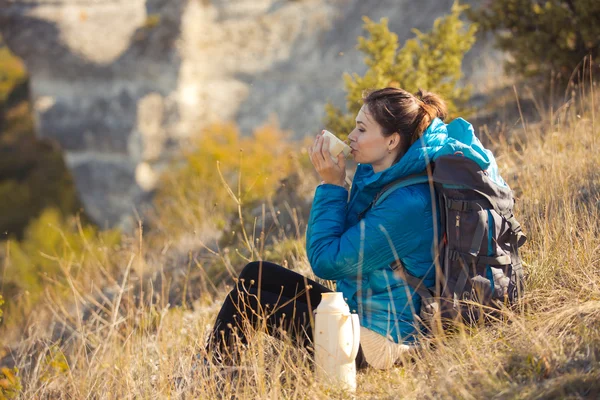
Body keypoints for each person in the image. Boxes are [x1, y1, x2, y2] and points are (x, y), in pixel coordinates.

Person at [205, 87, 486, 369]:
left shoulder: (408, 203)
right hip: (359, 312)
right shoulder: (381, 177)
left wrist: (332, 185)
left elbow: (326, 261)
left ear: (392, 141)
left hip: (381, 341)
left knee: (252, 303)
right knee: (256, 273)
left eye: (362, 130)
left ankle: (211, 379)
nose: (351, 136)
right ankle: (225, 369)